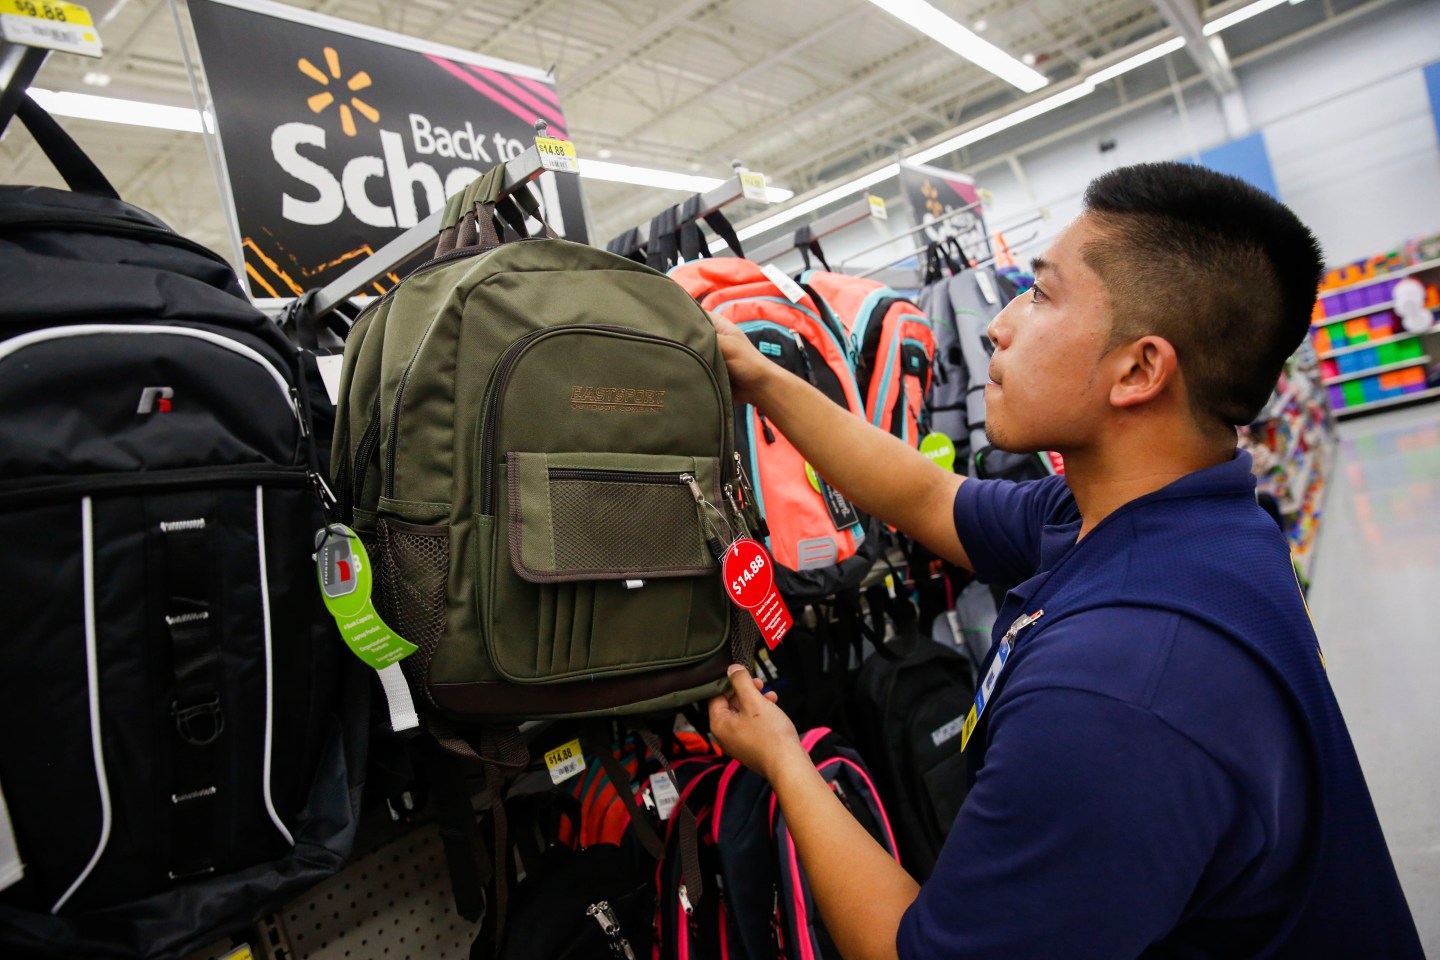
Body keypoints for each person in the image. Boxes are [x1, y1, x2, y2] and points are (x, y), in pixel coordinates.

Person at [705, 162, 1423, 959]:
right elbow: (929, 496)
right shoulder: (1171, 519)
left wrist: (784, 759)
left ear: (1139, 370)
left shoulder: (1115, 690)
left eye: (1041, 295)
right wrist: (762, 379)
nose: (996, 326)